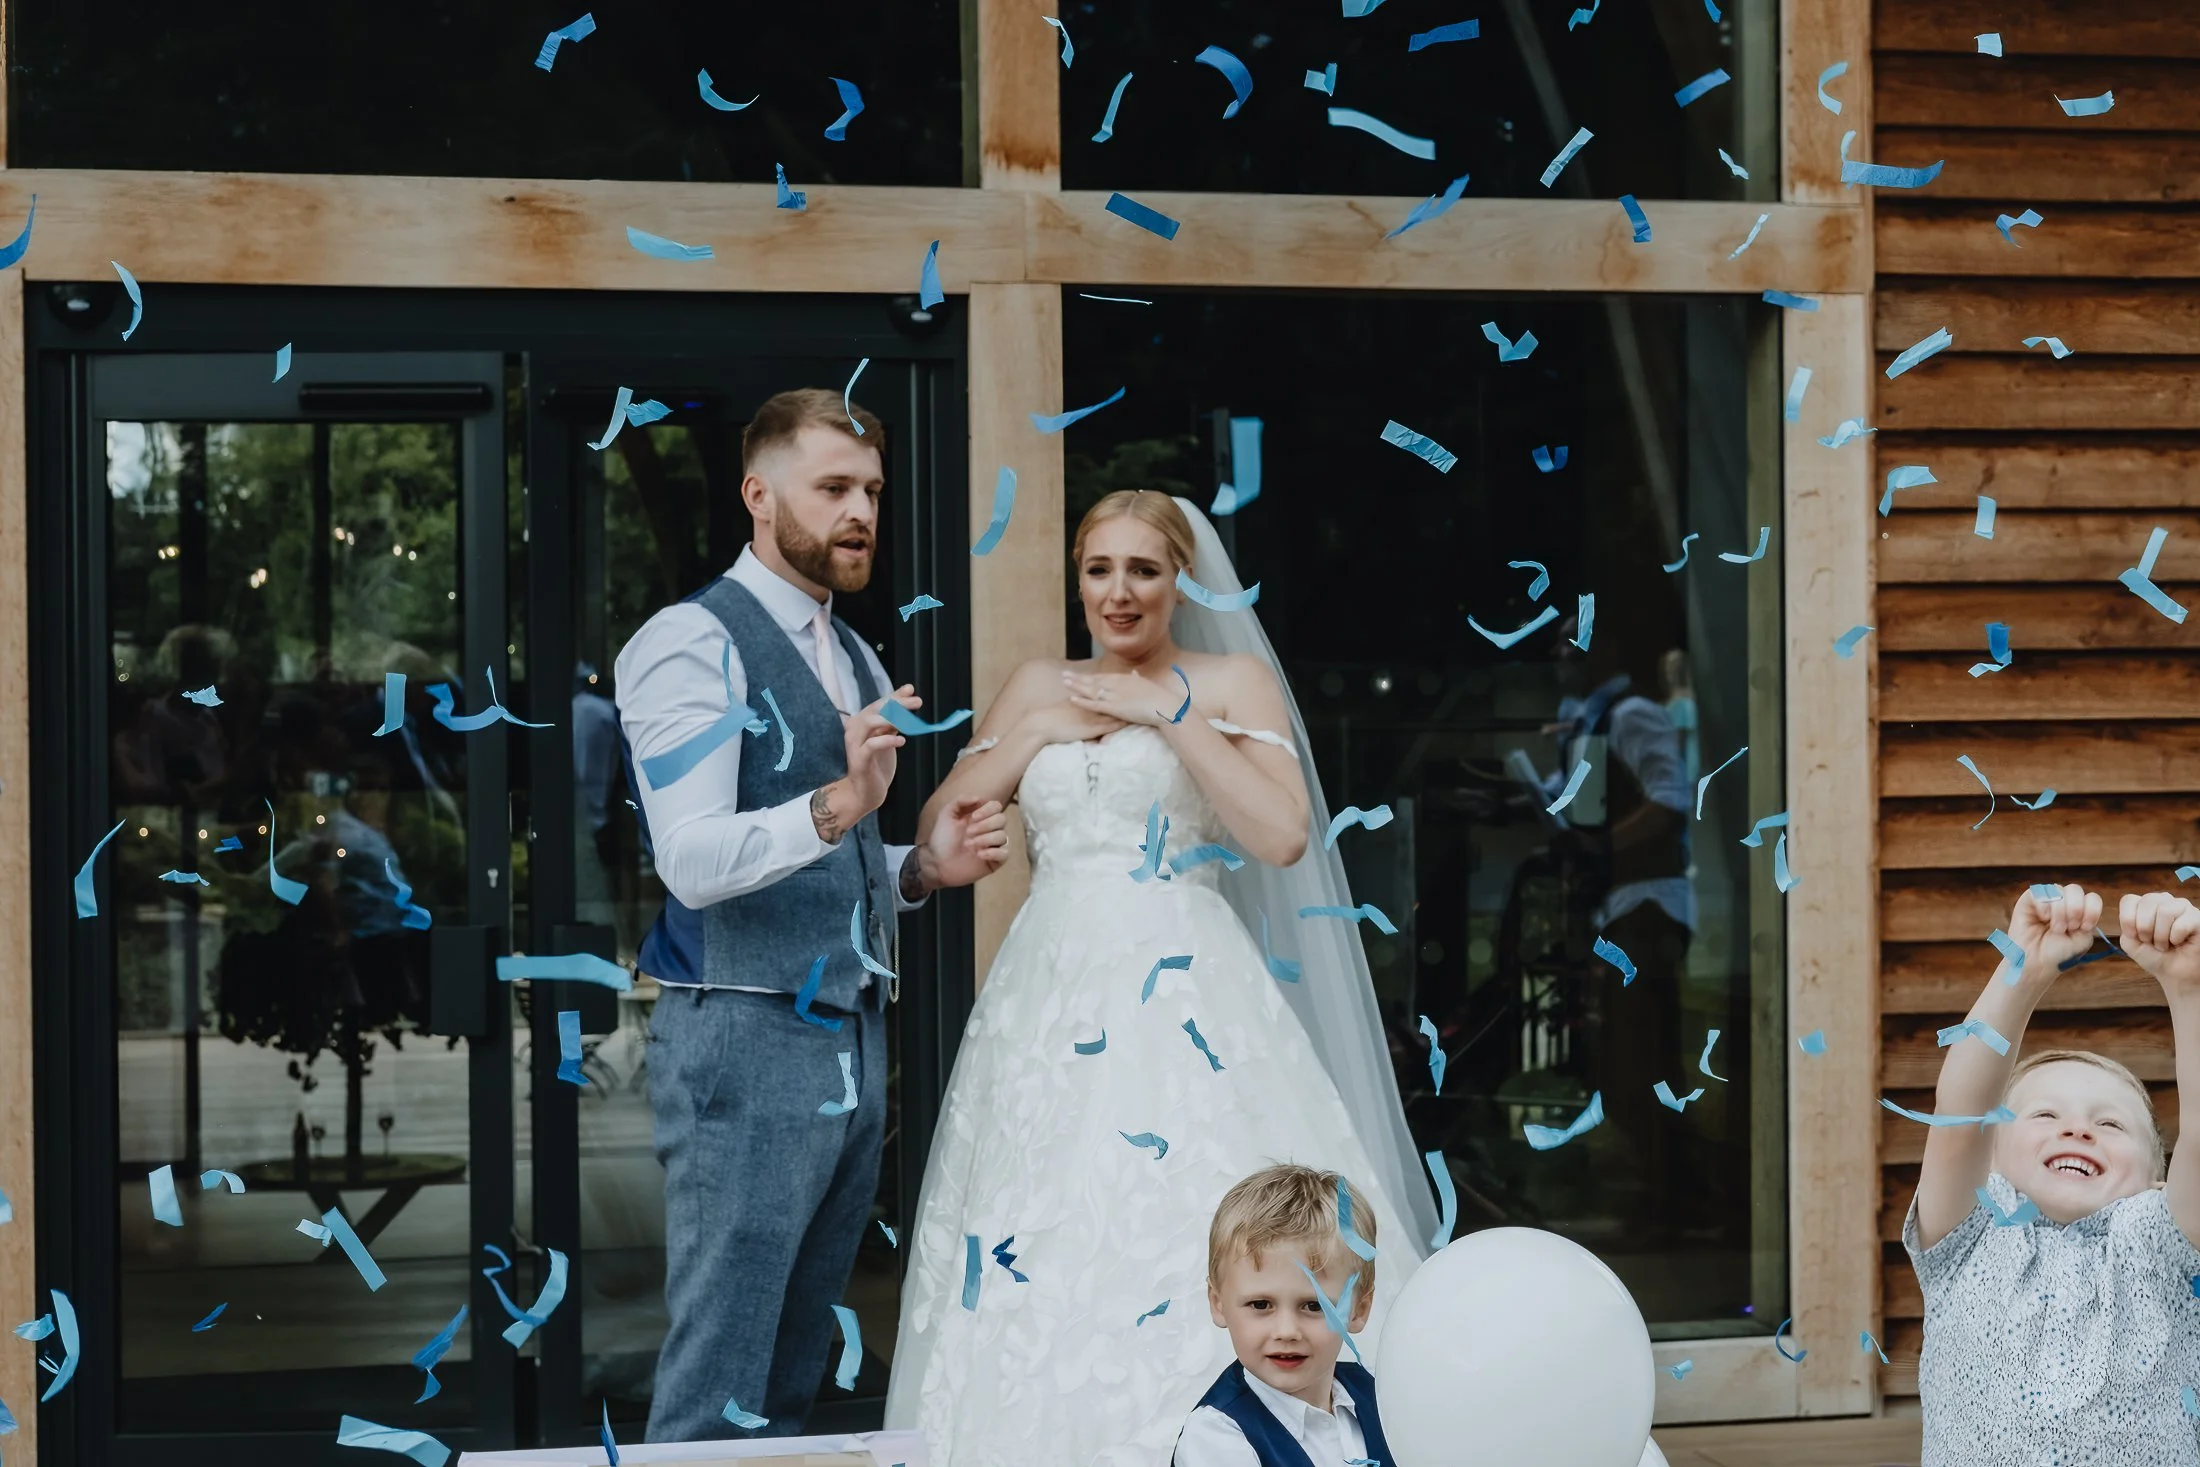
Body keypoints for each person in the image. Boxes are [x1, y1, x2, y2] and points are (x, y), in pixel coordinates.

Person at [884, 490, 1436, 1466]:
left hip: (1190, 981)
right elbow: (943, 821)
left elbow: (1281, 833)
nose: (1119, 592)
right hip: (1048, 990)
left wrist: (1173, 717)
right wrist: (1029, 736)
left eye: (1143, 569)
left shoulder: (1228, 683)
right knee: (1044, 1212)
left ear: (1181, 579)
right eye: (1099, 569)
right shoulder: (1035, 684)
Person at [614, 388, 1012, 1442]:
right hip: (741, 1040)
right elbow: (691, 860)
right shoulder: (686, 643)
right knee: (721, 1374)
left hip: (847, 1040)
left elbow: (829, 861)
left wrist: (919, 870)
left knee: (790, 1375)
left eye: (871, 491)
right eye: (833, 487)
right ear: (757, 494)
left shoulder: (858, 657)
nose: (860, 512)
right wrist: (841, 804)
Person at [1905, 883, 2200, 1464]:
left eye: (2111, 1125)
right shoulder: (1969, 1236)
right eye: (2044, 1114)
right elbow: (1961, 1114)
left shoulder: (2163, 1243)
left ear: (2158, 1179)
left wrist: (2189, 988)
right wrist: (2024, 967)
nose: (2079, 1130)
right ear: (1990, 1153)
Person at [1174, 1165, 1395, 1467]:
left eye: (1315, 1306)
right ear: (1218, 1303)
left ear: (1359, 1310)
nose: (1287, 1331)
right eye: (1261, 1305)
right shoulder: (1217, 1437)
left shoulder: (1382, 1395)